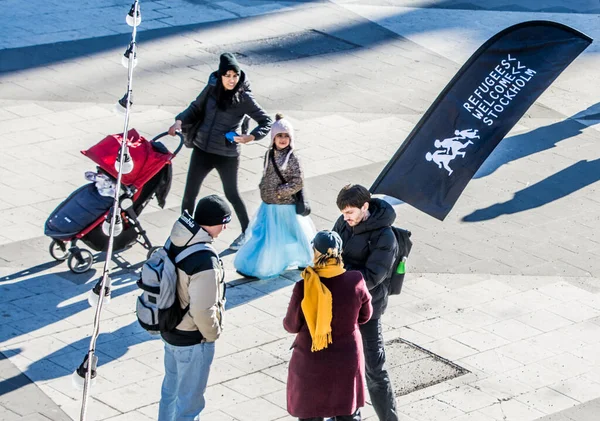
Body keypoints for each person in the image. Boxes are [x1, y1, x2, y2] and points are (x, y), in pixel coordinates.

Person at [168, 52, 272, 250]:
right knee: (190, 194)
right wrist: (179, 120)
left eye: (235, 75)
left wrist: (252, 136)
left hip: (226, 154)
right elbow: (195, 108)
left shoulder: (244, 97)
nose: (231, 80)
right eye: (227, 76)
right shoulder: (211, 88)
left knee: (231, 193)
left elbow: (265, 121)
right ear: (220, 75)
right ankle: (184, 233)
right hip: (202, 149)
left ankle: (246, 232)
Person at [284, 230, 372, 421]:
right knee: (347, 413)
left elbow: (291, 325)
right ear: (340, 253)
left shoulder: (305, 286)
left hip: (312, 361)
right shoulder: (356, 280)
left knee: (311, 413)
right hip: (347, 359)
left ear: (315, 252)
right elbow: (365, 316)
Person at [158, 194, 231, 421]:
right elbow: (202, 310)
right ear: (212, 223)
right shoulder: (204, 260)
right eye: (224, 222)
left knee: (169, 393)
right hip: (192, 339)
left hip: (170, 331)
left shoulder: (176, 239)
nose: (225, 228)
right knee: (189, 406)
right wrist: (212, 334)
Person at [333, 185, 399, 421]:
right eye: (343, 212)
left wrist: (340, 273)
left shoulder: (385, 236)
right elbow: (333, 251)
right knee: (341, 365)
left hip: (367, 311)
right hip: (341, 305)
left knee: (374, 370)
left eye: (350, 212)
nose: (345, 217)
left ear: (365, 207)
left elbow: (372, 276)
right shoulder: (343, 223)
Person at [234, 113, 314, 278]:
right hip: (268, 204)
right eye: (279, 136)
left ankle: (304, 259)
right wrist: (263, 187)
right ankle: (253, 265)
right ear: (273, 138)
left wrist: (279, 191)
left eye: (286, 136)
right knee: (262, 235)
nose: (283, 139)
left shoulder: (292, 158)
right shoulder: (269, 154)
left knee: (292, 235)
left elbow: (298, 182)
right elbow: (267, 174)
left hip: (284, 206)